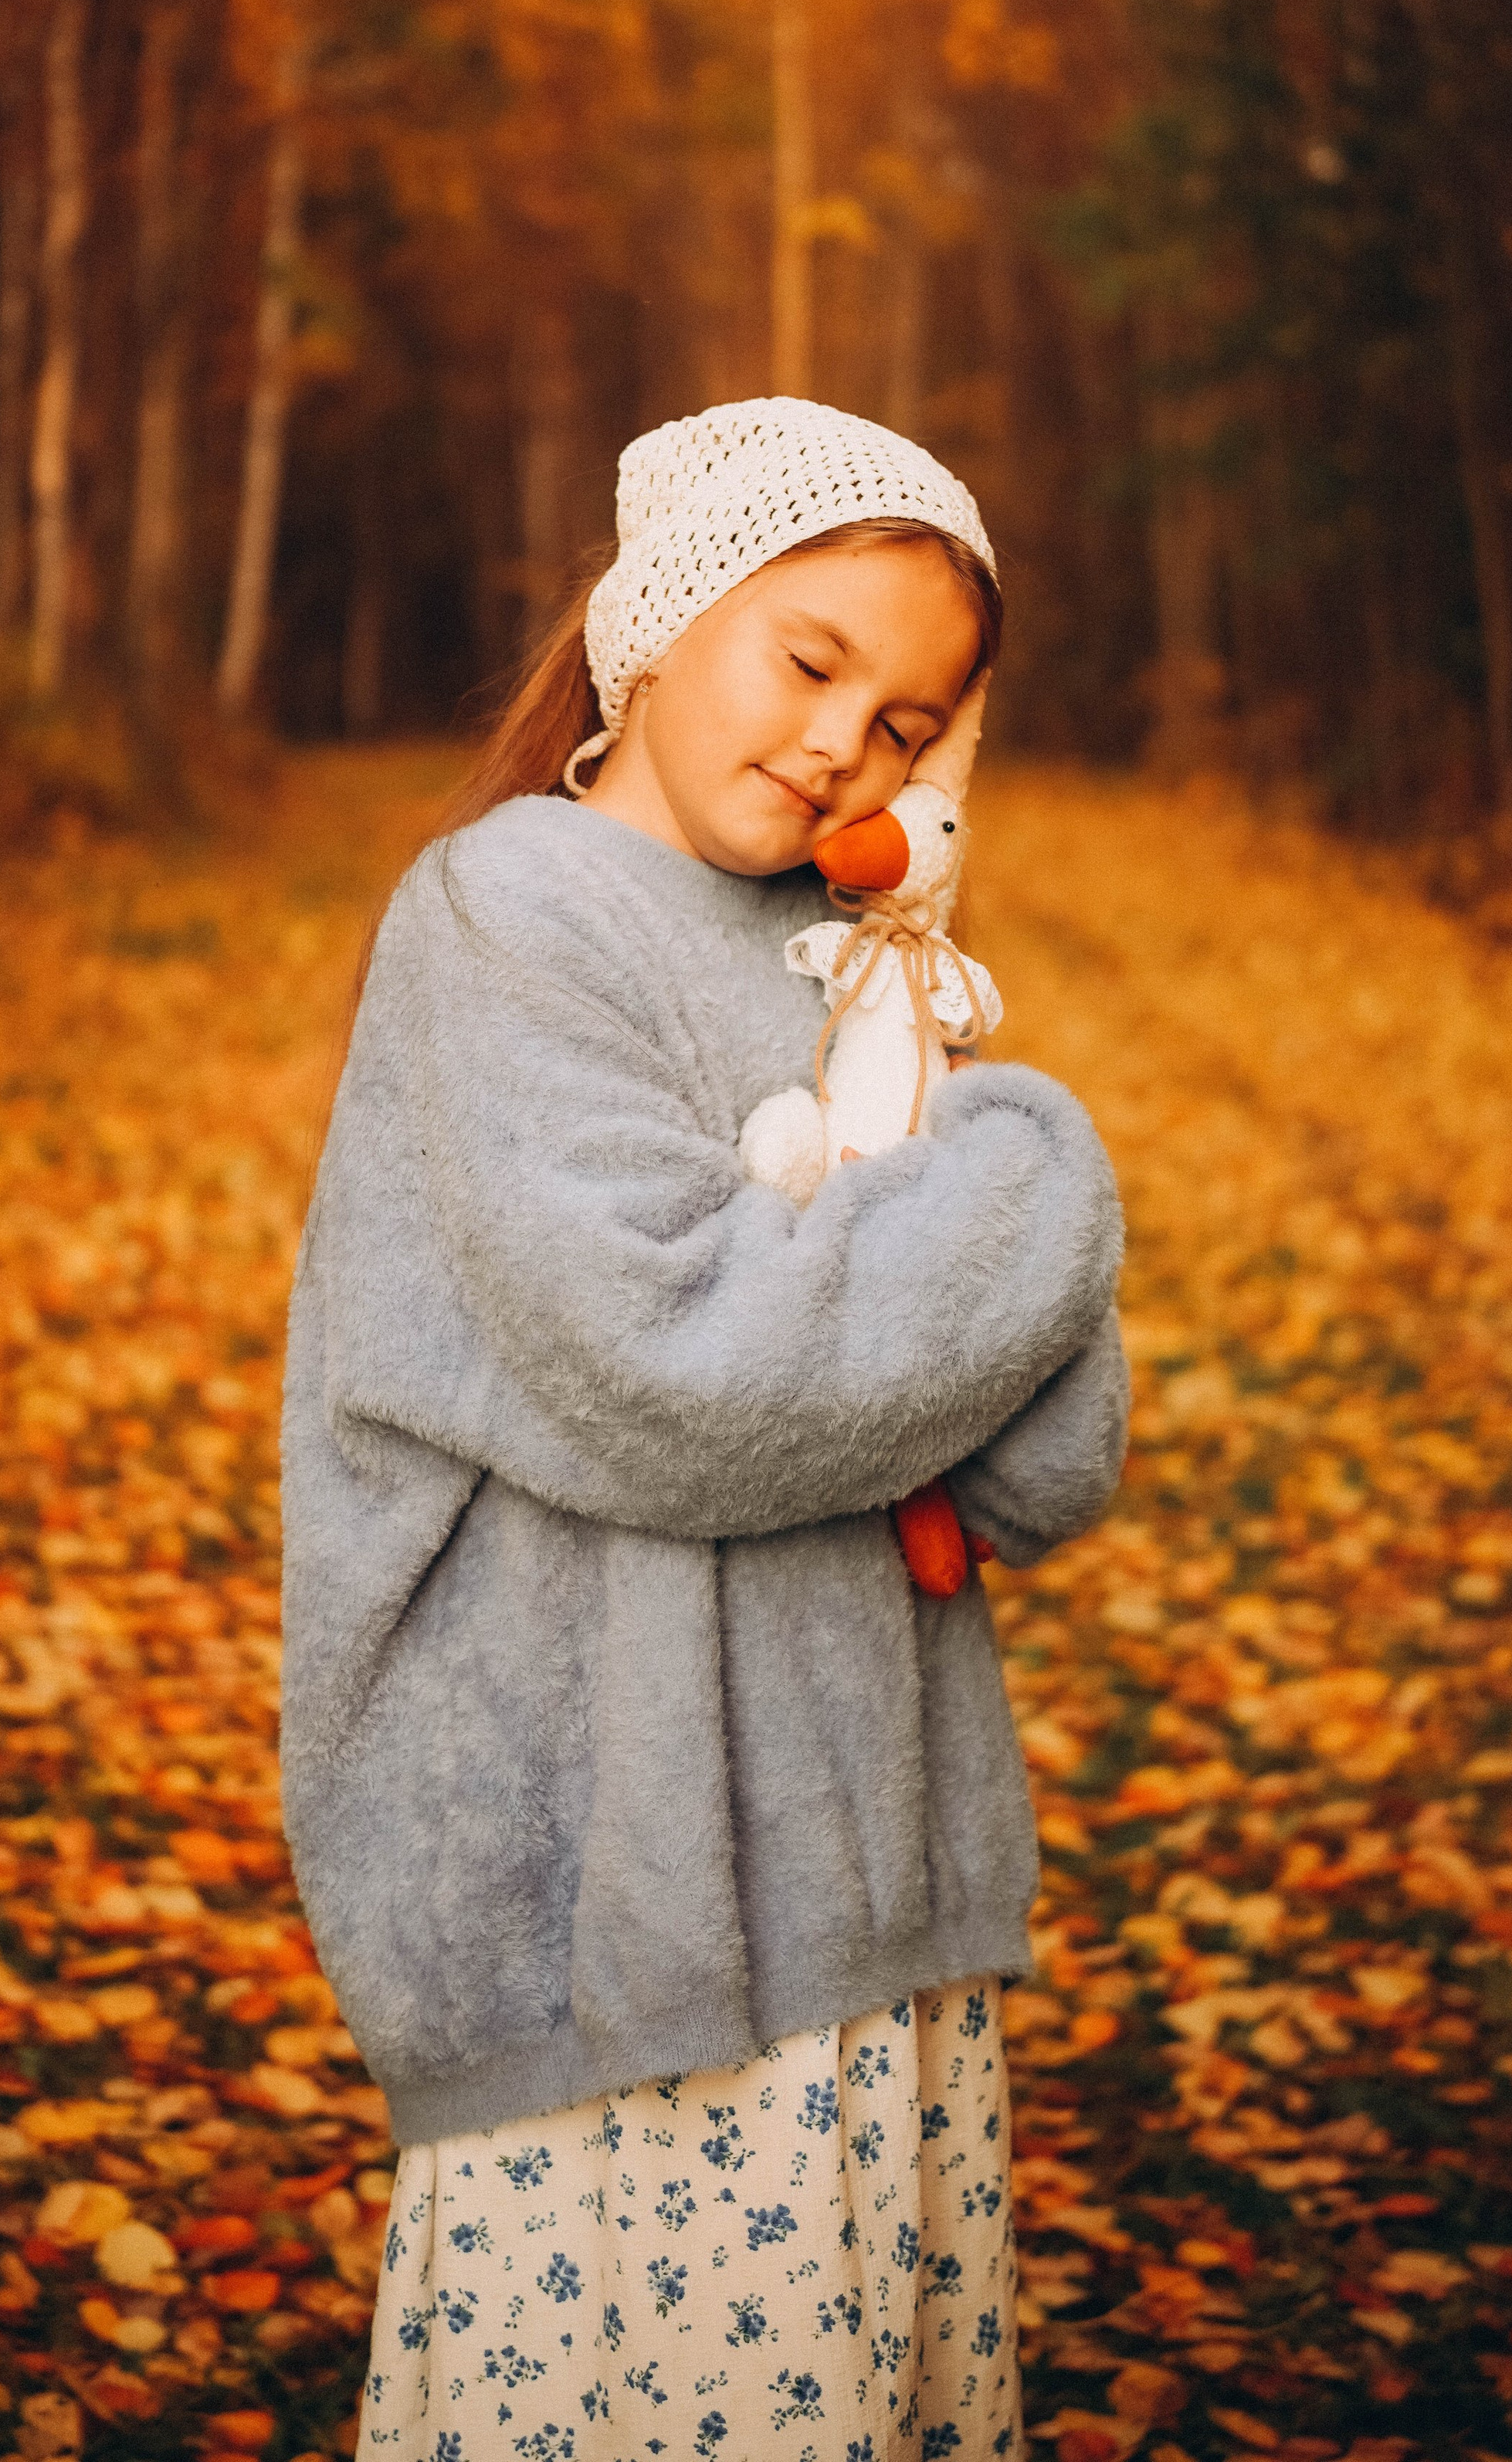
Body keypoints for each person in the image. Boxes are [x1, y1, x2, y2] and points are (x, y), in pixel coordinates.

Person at [280, 397, 1129, 2462]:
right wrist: (1028, 1168)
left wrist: (914, 1238)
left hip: (863, 1891)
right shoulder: (508, 919)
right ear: (658, 619)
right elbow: (687, 1374)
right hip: (626, 1905)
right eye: (810, 657)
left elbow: (1043, 1454)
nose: (852, 742)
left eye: (914, 724)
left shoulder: (864, 971)